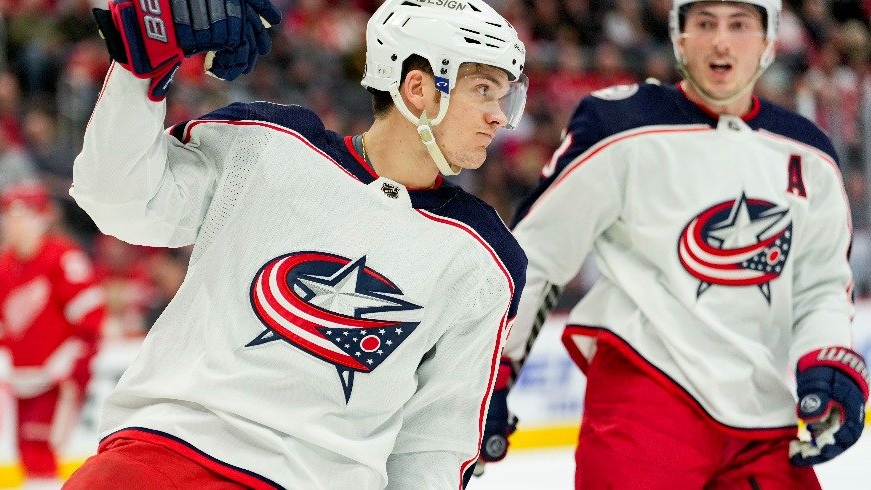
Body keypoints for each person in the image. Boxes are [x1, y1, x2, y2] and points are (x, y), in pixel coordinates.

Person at [63, 0, 528, 488]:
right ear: (417, 89)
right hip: (156, 460)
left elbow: (433, 446)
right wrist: (140, 69)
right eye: (483, 91)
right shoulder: (269, 145)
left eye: (504, 97)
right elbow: (117, 199)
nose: (500, 117)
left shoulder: (486, 258)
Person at [480, 0, 869, 488]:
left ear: (770, 41)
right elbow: (536, 256)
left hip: (762, 410)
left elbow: (822, 284)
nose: (721, 41)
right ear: (679, 38)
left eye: (740, 24)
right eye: (704, 23)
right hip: (645, 396)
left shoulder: (809, 152)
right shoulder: (620, 124)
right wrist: (491, 371)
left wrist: (828, 360)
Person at [0, 182, 105, 489]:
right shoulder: (4, 267)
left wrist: (75, 371)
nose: (10, 223)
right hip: (23, 381)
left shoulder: (62, 257)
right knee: (29, 458)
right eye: (7, 215)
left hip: (55, 380)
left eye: (19, 214)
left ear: (40, 218)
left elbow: (92, 319)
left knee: (43, 457)